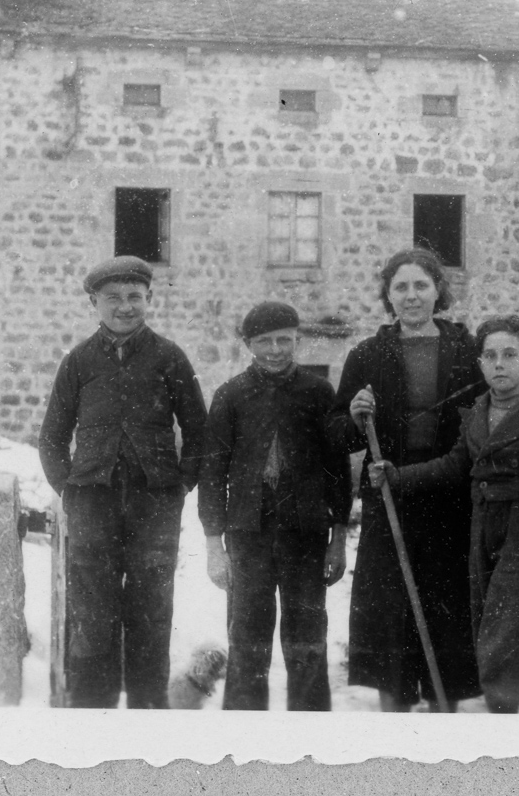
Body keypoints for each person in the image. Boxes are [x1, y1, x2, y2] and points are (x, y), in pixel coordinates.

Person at [368, 315, 519, 713]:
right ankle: (510, 713)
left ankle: (516, 719)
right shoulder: (476, 411)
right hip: (482, 528)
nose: (499, 364)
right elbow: (455, 465)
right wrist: (397, 476)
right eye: (490, 356)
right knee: (486, 625)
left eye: (510, 354)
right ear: (480, 364)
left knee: (510, 634)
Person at [38, 255, 209, 709]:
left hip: (156, 501)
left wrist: (181, 486)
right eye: (113, 297)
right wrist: (69, 490)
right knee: (93, 607)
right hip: (92, 501)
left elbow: (199, 431)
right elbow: (52, 437)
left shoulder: (169, 357)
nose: (125, 306)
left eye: (135, 296)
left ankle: (147, 708)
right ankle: (91, 709)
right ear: (94, 303)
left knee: (151, 605)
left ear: (149, 299)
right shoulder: (78, 362)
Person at [328, 247, 483, 711]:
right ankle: (395, 720)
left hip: (449, 496)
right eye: (401, 287)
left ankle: (441, 716)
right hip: (387, 494)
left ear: (438, 291)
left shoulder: (467, 350)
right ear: (388, 295)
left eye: (421, 285)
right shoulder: (367, 354)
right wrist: (355, 416)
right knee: (390, 616)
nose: (411, 295)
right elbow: (338, 434)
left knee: (445, 613)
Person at [200, 301, 351, 711]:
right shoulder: (230, 395)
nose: (275, 349)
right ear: (248, 344)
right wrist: (214, 547)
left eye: (284, 339)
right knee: (247, 643)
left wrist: (338, 541)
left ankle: (308, 731)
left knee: (307, 643)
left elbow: (338, 471)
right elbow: (212, 475)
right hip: (248, 535)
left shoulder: (318, 393)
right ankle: (246, 735)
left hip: (306, 536)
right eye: (264, 341)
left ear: (297, 339)